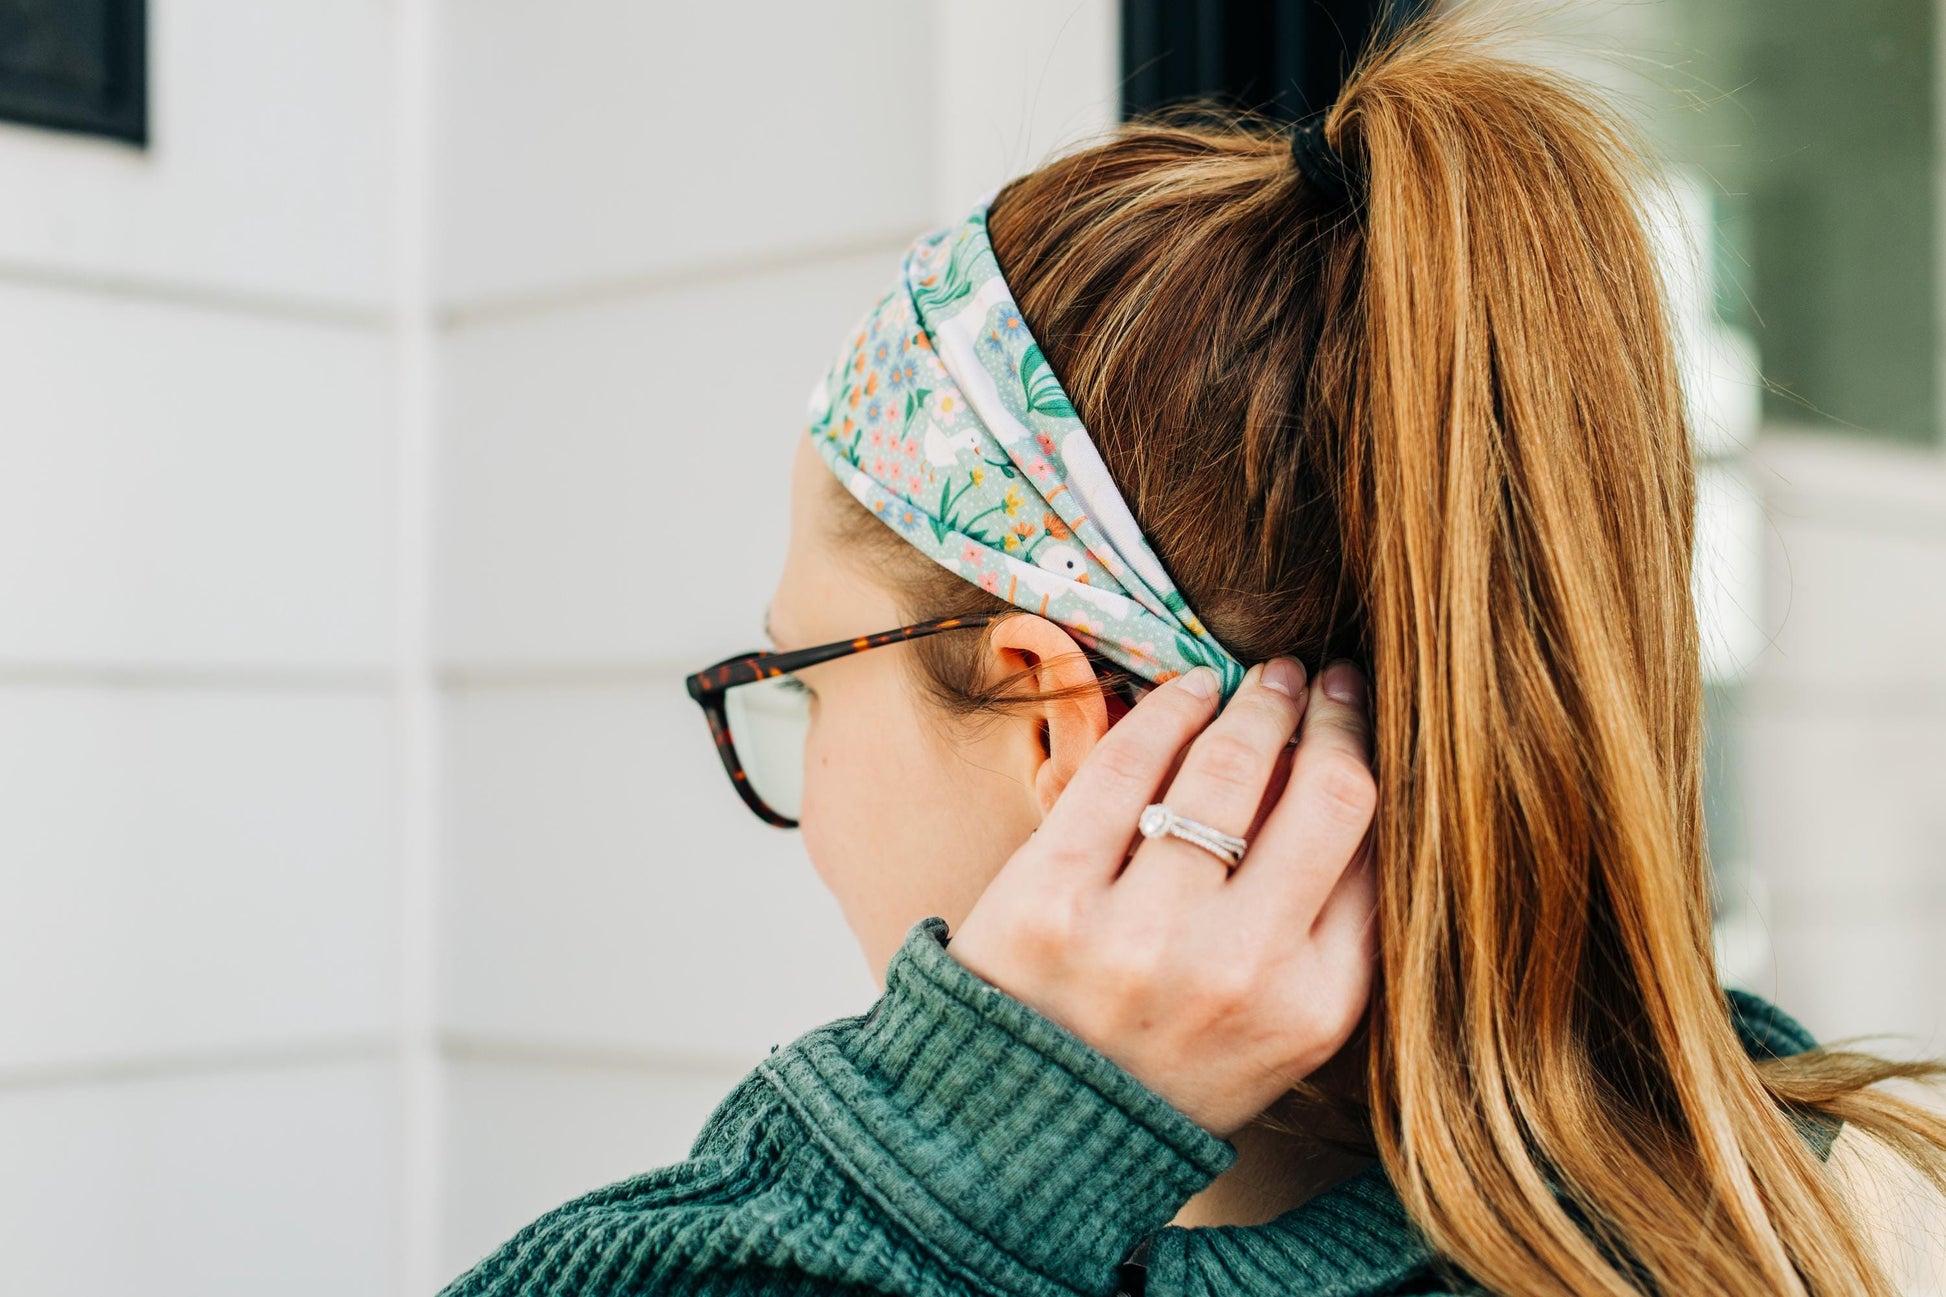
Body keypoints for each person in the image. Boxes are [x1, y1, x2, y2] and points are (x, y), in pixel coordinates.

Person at [440, 9, 1946, 1296]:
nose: (807, 794)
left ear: (1051, 719)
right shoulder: (1839, 1200)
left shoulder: (912, 1241)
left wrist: (960, 1153)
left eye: (800, 687)